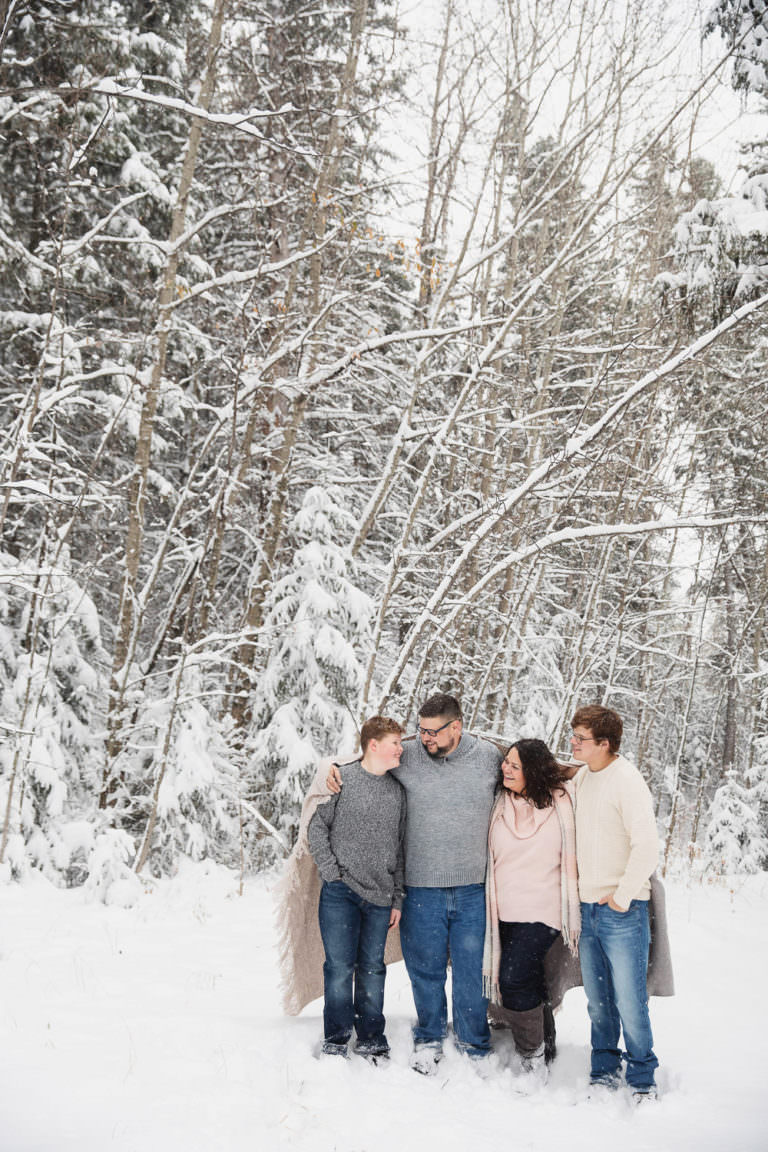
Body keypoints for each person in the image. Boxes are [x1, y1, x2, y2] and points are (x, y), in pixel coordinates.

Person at [327, 693, 502, 1072]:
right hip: (421, 888)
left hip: (473, 888)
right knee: (426, 971)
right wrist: (331, 769)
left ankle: (473, 1043)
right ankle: (429, 1038)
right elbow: (367, 759)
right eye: (421, 730)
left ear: (457, 726)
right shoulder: (407, 755)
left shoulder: (488, 757)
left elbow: (531, 770)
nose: (424, 738)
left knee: (473, 971)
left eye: (432, 732)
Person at [569, 704, 661, 1100]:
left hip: (622, 912)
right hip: (588, 908)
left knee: (630, 1001)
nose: (573, 743)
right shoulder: (583, 777)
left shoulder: (627, 781)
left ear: (604, 743)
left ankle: (642, 1077)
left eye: (581, 739)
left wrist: (623, 897)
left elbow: (648, 847)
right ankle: (604, 1068)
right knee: (598, 1001)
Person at [307, 715, 406, 1062]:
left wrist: (397, 897)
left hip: (379, 897)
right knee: (338, 967)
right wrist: (332, 873)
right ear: (373, 745)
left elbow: (400, 848)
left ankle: (371, 1038)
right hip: (340, 893)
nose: (401, 749)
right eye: (395, 743)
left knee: (373, 968)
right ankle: (335, 1039)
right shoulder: (342, 780)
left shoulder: (397, 792)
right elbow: (317, 828)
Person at [483, 739, 580, 1082]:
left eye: (515, 765)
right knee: (530, 977)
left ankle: (531, 1054)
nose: (505, 769)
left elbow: (598, 771)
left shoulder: (564, 799)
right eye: (505, 762)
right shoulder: (498, 800)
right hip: (500, 909)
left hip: (544, 909)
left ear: (534, 771)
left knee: (512, 978)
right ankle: (546, 1041)